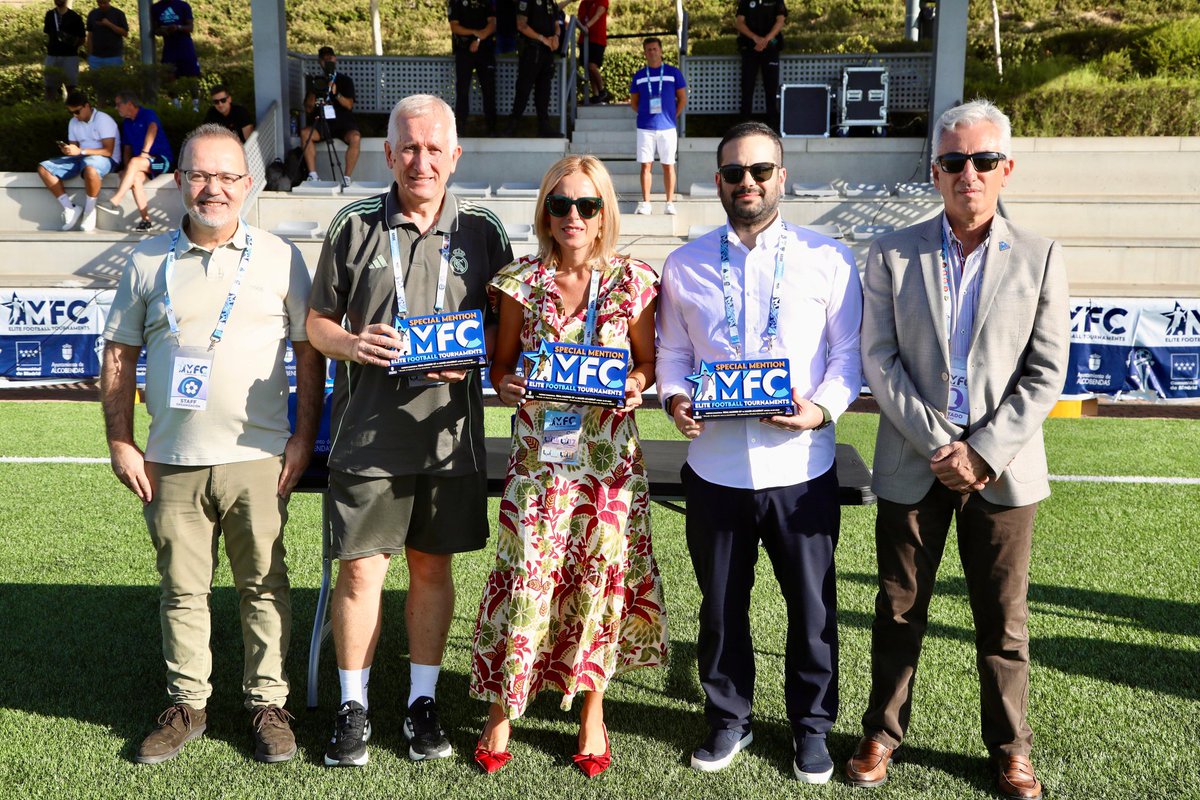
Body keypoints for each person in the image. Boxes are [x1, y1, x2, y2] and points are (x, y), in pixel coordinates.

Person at [845, 99, 1068, 800]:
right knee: (897, 611)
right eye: (952, 162)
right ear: (935, 172)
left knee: (1003, 621)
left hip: (1004, 472)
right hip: (917, 461)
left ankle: (1010, 749)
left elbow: (1045, 373)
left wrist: (983, 451)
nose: (966, 173)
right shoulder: (891, 251)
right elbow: (878, 358)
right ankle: (882, 732)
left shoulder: (1040, 255)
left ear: (1006, 169)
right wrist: (944, 445)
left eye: (981, 161)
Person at [100, 123, 323, 766]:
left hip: (258, 457)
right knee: (181, 588)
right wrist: (120, 439)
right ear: (179, 181)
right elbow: (119, 355)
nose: (214, 187)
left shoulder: (281, 257)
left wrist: (303, 437)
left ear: (248, 185)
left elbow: (308, 357)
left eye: (228, 176)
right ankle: (187, 703)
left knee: (264, 585)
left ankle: (267, 704)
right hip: (170, 458)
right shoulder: (147, 261)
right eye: (201, 174)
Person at [306, 94, 512, 769]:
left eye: (434, 149)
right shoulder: (354, 223)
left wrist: (474, 357)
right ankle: (354, 706)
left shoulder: (483, 229)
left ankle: (422, 702)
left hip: (450, 440)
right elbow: (316, 324)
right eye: (408, 148)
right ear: (389, 154)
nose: (421, 161)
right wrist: (352, 343)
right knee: (363, 572)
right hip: (368, 438)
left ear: (455, 155)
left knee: (432, 567)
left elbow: (505, 335)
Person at [656, 121, 862, 783]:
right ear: (717, 182)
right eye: (734, 173)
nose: (748, 183)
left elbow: (848, 358)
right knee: (719, 610)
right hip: (715, 468)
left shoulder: (828, 258)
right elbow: (673, 356)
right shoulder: (684, 264)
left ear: (782, 176)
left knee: (812, 611)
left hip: (802, 470)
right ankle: (728, 718)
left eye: (760, 170)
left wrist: (819, 409)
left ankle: (811, 729)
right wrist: (674, 400)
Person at [469, 154, 668, 777]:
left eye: (587, 205)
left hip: (608, 465)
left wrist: (637, 383)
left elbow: (648, 363)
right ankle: (503, 707)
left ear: (605, 211)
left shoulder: (634, 281)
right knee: (527, 576)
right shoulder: (518, 282)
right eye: (561, 205)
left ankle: (591, 711)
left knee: (599, 584)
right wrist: (507, 387)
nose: (573, 216)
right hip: (539, 462)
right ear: (545, 213)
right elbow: (500, 370)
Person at [37, 90, 121, 233]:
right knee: (44, 168)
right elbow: (74, 148)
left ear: (87, 106)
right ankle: (70, 208)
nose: (75, 116)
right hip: (81, 158)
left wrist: (80, 151)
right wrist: (68, 150)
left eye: (77, 111)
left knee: (90, 168)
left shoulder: (103, 120)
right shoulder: (73, 122)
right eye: (71, 113)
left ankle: (89, 211)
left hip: (106, 159)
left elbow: (108, 151)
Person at [100, 92, 174, 232]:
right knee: (135, 179)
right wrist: (128, 170)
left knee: (135, 162)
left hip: (161, 161)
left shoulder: (147, 114)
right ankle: (146, 220)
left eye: (118, 104)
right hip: (142, 164)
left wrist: (145, 152)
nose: (117, 108)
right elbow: (127, 148)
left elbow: (153, 129)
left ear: (129, 104)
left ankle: (115, 201)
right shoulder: (127, 123)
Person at [629, 37, 686, 216]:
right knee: (646, 165)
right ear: (645, 53)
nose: (652, 52)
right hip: (645, 127)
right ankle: (646, 202)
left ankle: (669, 202)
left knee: (668, 165)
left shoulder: (673, 72)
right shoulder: (639, 75)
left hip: (667, 127)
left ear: (661, 51)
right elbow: (634, 102)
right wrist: (646, 114)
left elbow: (682, 98)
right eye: (648, 49)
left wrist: (672, 116)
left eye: (655, 49)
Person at [301, 47, 362, 187]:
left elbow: (349, 105)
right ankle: (313, 175)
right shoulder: (316, 81)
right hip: (322, 121)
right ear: (320, 62)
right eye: (324, 59)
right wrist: (315, 90)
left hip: (343, 122)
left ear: (335, 59)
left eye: (330, 58)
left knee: (355, 138)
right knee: (305, 133)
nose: (328, 61)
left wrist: (336, 93)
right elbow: (308, 108)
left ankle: (346, 177)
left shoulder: (345, 80)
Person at [506, 0, 560, 137]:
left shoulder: (550, 2)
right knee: (523, 88)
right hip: (532, 50)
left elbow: (556, 22)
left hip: (547, 52)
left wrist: (556, 37)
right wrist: (542, 39)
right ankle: (513, 125)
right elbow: (521, 24)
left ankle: (544, 126)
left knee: (544, 90)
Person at [448, 0, 498, 136]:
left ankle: (492, 126)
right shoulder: (457, 2)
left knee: (489, 88)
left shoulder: (486, 3)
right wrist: (475, 33)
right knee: (462, 88)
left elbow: (493, 22)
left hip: (485, 49)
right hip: (464, 50)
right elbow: (454, 26)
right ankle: (461, 126)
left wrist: (481, 36)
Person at [735, 0, 786, 128]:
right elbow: (739, 22)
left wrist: (766, 40)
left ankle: (773, 127)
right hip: (750, 48)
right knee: (747, 87)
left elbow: (780, 21)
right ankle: (744, 127)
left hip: (771, 48)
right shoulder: (745, 1)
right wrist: (755, 38)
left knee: (771, 88)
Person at [43, 0, 85, 101]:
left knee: (71, 87)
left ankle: (71, 111)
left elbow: (82, 39)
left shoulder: (75, 17)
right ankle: (49, 112)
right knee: (49, 87)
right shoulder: (50, 15)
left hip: (70, 56)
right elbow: (48, 33)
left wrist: (71, 41)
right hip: (52, 55)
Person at [151, 0, 200, 78]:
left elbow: (190, 27)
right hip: (169, 49)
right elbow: (154, 30)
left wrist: (177, 27)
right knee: (168, 76)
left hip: (185, 47)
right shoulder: (156, 8)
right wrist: (161, 31)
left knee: (192, 75)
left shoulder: (183, 5)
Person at [574, 0, 608, 103]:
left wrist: (587, 26)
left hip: (597, 39)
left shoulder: (602, 0)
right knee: (588, 68)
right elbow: (580, 19)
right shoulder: (583, 3)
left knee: (592, 66)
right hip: (584, 40)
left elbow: (598, 14)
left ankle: (602, 91)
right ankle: (596, 94)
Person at [85, 0, 128, 71]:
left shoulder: (118, 14)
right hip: (95, 57)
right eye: (99, 3)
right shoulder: (92, 14)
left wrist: (109, 24)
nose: (102, 5)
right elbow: (90, 35)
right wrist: (90, 55)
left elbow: (125, 33)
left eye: (104, 3)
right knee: (96, 80)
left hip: (114, 56)